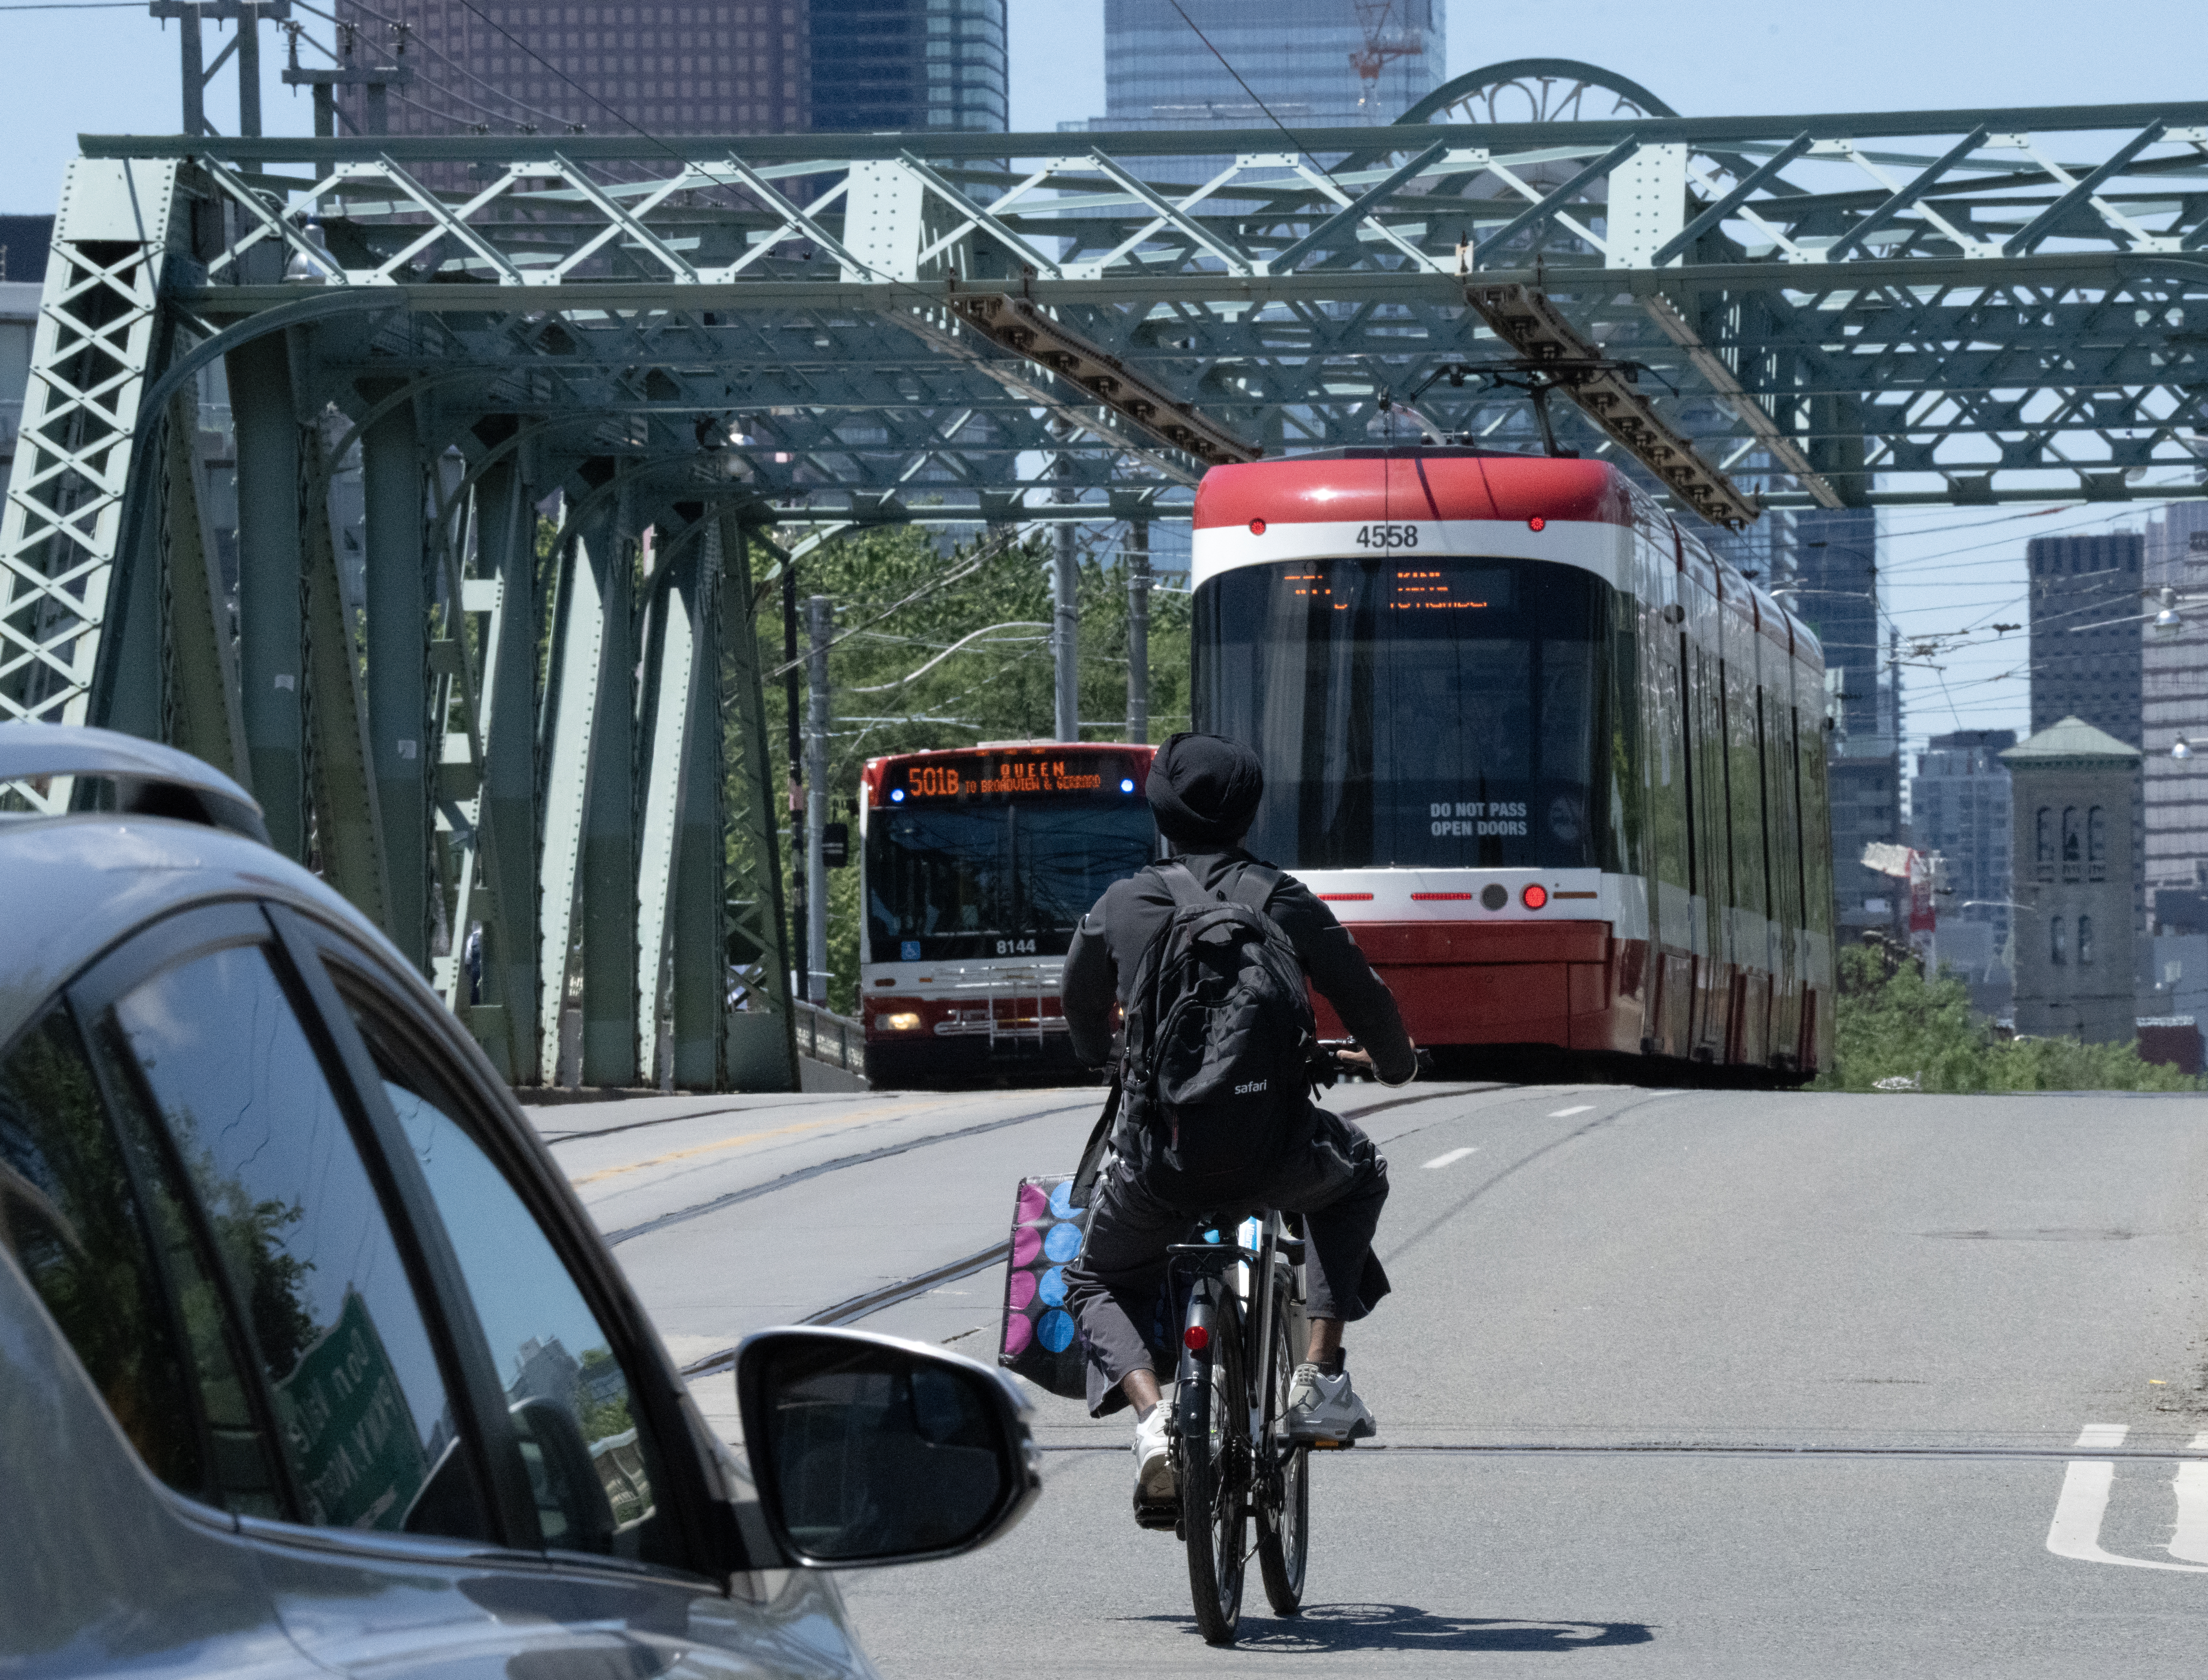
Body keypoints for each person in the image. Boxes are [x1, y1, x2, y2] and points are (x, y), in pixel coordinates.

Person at [1059, 732, 1418, 1512]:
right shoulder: (1283, 899)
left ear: (1159, 811)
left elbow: (1082, 1013)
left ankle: (1155, 1421)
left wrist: (1106, 1055)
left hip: (1163, 1160)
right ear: (1252, 812)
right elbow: (1367, 1001)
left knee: (1093, 1276)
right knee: (1358, 1176)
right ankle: (1319, 1377)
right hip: (1275, 1151)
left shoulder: (1121, 903)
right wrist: (1395, 1065)